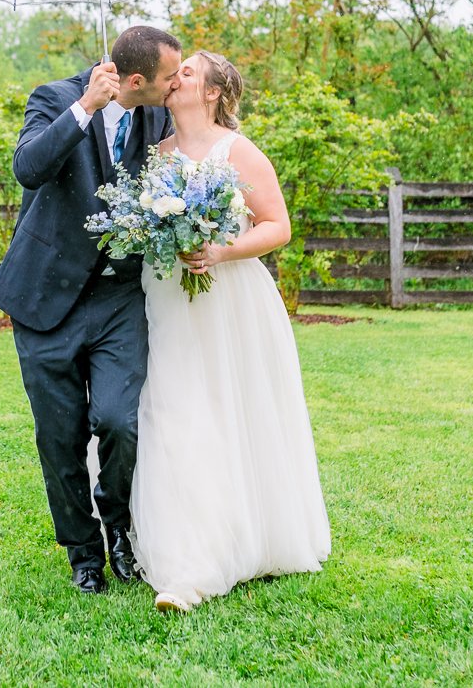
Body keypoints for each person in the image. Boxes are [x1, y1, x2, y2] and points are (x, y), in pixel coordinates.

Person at [129, 51, 331, 611]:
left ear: (214, 92)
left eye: (187, 73)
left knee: (225, 412)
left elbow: (278, 226)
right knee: (169, 412)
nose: (175, 80)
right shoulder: (156, 156)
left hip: (228, 301)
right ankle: (183, 555)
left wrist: (219, 249)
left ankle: (206, 563)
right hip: (167, 296)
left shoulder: (238, 152)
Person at [0, 25, 181, 594]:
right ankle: (83, 553)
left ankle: (119, 530)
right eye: (169, 78)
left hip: (120, 297)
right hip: (45, 297)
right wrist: (84, 108)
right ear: (138, 80)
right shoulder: (53, 97)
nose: (176, 86)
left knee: (120, 421)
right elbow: (27, 168)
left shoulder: (157, 116)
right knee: (60, 435)